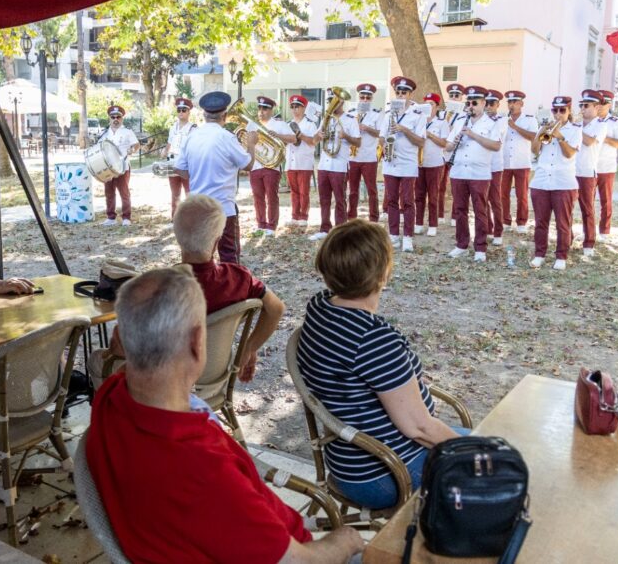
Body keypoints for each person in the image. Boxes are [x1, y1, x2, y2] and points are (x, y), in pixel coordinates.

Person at [87, 267, 364, 563]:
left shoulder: (110, 396)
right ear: (197, 342)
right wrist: (345, 541)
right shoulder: (202, 471)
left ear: (119, 337)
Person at [297, 219, 465, 510]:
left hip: (350, 458)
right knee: (491, 460)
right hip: (383, 470)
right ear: (383, 273)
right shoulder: (371, 339)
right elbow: (420, 429)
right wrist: (475, 453)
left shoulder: (320, 305)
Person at [87, 194, 285, 386]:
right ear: (216, 242)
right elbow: (276, 309)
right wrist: (249, 348)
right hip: (215, 373)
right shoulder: (240, 278)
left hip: (164, 387)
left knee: (96, 359)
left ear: (178, 238)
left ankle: (115, 415)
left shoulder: (158, 287)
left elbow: (126, 349)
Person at [175, 91, 257, 264]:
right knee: (229, 256)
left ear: (204, 115)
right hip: (223, 207)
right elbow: (248, 165)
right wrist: (251, 145)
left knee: (200, 257)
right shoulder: (226, 137)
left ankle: (203, 289)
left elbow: (179, 168)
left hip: (198, 206)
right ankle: (230, 288)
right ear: (225, 115)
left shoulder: (192, 136)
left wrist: (199, 177)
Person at [446, 85, 502, 262]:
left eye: (475, 102)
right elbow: (447, 146)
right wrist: (454, 143)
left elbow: (496, 145)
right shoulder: (460, 120)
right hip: (459, 171)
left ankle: (480, 248)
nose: (471, 105)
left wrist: (473, 135)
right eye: (468, 102)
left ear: (484, 103)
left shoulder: (492, 123)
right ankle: (461, 244)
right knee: (460, 210)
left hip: (479, 173)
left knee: (480, 210)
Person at [529, 96, 583, 270]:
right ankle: (539, 254)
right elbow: (535, 150)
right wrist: (541, 133)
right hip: (542, 181)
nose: (558, 114)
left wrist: (560, 137)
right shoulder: (547, 129)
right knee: (540, 222)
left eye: (562, 110)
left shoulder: (575, 129)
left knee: (563, 222)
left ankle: (561, 256)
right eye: (555, 110)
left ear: (569, 112)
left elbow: (569, 154)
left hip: (564, 182)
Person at [380, 77, 425, 253]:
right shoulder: (389, 112)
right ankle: (393, 235)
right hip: (390, 162)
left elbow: (421, 142)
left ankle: (407, 236)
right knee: (391, 200)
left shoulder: (418, 115)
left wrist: (404, 129)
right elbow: (382, 136)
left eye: (404, 93)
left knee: (407, 201)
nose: (400, 95)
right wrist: (385, 144)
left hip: (408, 163)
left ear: (410, 94)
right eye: (398, 92)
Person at [248, 96, 295, 237]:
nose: (261, 111)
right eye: (260, 108)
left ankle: (271, 225)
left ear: (271, 109)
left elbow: (293, 138)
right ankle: (261, 224)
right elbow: (246, 143)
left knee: (271, 196)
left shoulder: (278, 124)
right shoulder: (251, 125)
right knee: (258, 197)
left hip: (272, 166)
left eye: (265, 108)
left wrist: (278, 136)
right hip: (255, 165)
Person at [310, 97, 352, 242]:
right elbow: (313, 141)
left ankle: (341, 230)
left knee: (340, 199)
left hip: (339, 165)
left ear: (342, 103)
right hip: (323, 165)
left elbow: (358, 142)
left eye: (336, 101)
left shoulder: (350, 119)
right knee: (324, 199)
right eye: (330, 101)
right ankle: (324, 228)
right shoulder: (326, 119)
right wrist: (318, 136)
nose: (333, 104)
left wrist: (345, 135)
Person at [499, 90, 537, 234]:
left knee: (522, 194)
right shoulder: (502, 118)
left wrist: (515, 127)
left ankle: (521, 222)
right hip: (505, 162)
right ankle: (505, 220)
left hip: (522, 162)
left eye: (514, 102)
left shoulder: (530, 119)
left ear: (521, 104)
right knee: (503, 194)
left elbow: (533, 136)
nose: (511, 105)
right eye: (509, 102)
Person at [414, 92, 449, 237]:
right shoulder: (417, 120)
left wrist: (430, 135)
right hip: (419, 163)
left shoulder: (442, 123)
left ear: (437, 107)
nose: (429, 107)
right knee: (419, 195)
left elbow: (444, 143)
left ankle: (433, 224)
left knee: (433, 195)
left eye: (431, 104)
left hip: (435, 163)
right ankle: (419, 223)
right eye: (426, 104)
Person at [574, 90, 604, 259]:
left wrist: (573, 126)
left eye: (586, 106)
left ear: (596, 107)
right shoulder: (577, 125)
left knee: (587, 209)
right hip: (571, 171)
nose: (582, 109)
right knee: (566, 208)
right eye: (581, 105)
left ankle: (589, 242)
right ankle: (567, 238)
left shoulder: (600, 124)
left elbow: (589, 141)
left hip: (586, 172)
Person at [98, 105, 139, 226]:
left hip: (122, 167)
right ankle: (111, 217)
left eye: (118, 117)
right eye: (113, 117)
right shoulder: (105, 134)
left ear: (122, 118)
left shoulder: (127, 132)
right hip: (108, 168)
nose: (115, 119)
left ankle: (126, 217)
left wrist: (132, 149)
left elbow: (137, 145)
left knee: (124, 193)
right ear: (109, 119)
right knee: (109, 192)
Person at [595, 90, 618, 242]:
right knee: (586, 201)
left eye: (602, 104)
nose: (599, 107)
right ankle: (587, 229)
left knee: (605, 201)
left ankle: (604, 231)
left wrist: (604, 138)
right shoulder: (589, 121)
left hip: (606, 167)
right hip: (589, 167)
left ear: (609, 105)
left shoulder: (615, 122)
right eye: (597, 104)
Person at [347, 83, 381, 222]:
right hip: (353, 157)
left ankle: (374, 218)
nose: (365, 99)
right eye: (362, 96)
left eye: (368, 97)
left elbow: (380, 133)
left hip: (369, 157)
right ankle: (352, 218)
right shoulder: (350, 112)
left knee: (372, 190)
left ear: (372, 98)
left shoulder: (377, 114)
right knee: (352, 191)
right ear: (358, 97)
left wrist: (366, 128)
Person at [285, 95, 317, 230]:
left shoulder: (310, 124)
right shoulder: (287, 124)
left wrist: (301, 135)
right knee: (294, 191)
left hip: (304, 161)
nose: (294, 109)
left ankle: (304, 216)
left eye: (297, 106)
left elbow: (314, 141)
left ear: (304, 108)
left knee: (304, 191)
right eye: (292, 107)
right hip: (291, 162)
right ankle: (294, 216)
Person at [440, 83, 467, 225]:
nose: (454, 98)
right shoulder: (441, 114)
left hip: (455, 152)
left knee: (457, 187)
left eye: (457, 95)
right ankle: (439, 215)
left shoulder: (465, 115)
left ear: (461, 97)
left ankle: (455, 216)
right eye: (452, 95)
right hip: (441, 152)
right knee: (440, 185)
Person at [164, 97, 195, 219]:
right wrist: (164, 151)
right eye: (179, 110)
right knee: (175, 193)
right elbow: (169, 143)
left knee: (189, 192)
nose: (181, 112)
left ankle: (190, 218)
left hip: (186, 165)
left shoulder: (193, 128)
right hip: (172, 162)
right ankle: (175, 218)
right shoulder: (173, 127)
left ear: (188, 112)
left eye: (184, 110)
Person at [484, 90, 508, 245]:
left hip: (494, 165)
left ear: (498, 105)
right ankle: (487, 228)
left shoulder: (501, 120)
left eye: (491, 103)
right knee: (482, 200)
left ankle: (498, 232)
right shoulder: (479, 119)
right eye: (485, 103)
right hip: (481, 164)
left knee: (495, 199)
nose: (488, 106)